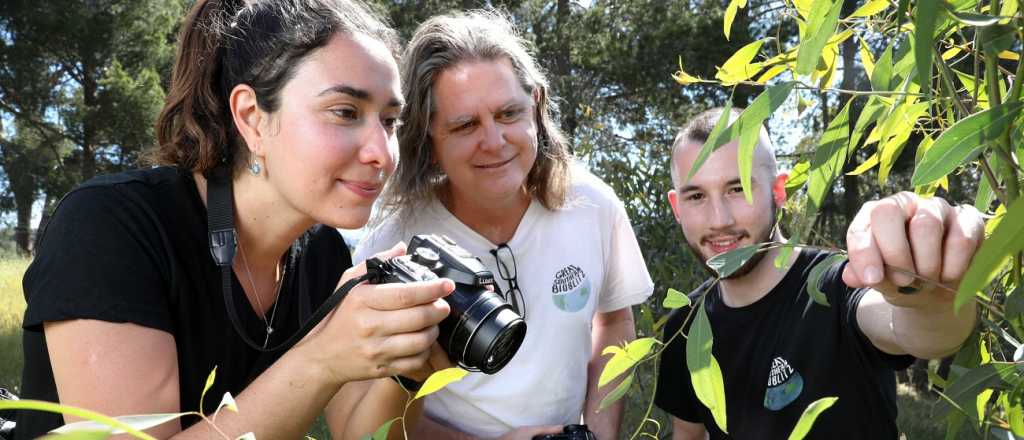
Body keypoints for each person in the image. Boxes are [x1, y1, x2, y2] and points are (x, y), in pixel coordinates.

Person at [15, 1, 455, 439]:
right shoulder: (111, 229)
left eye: (390, 120)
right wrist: (320, 358)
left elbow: (361, 435)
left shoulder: (323, 253)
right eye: (345, 112)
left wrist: (407, 366)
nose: (382, 153)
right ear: (251, 117)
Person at [353, 10, 655, 440]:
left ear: (535, 105)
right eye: (465, 124)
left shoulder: (592, 205)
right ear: (428, 138)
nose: (494, 142)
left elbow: (615, 321)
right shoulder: (392, 248)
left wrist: (598, 432)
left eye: (508, 114)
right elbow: (376, 416)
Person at [654, 107, 982, 439]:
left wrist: (928, 294)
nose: (719, 219)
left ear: (778, 191)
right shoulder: (684, 326)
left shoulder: (838, 283)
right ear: (677, 208)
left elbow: (916, 328)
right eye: (696, 196)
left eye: (737, 189)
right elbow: (689, 434)